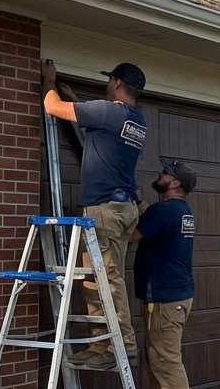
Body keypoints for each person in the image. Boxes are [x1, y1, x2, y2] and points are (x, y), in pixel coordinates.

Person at [41, 61, 147, 370]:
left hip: (105, 209)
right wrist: (77, 101)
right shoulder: (134, 119)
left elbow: (51, 107)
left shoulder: (108, 111)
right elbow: (99, 127)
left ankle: (121, 348)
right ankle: (102, 345)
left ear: (116, 83)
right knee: (96, 279)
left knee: (107, 280)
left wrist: (49, 81)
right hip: (123, 208)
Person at [132, 159, 198, 389]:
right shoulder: (181, 211)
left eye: (164, 173)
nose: (159, 175)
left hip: (165, 298)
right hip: (175, 295)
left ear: (175, 183)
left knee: (167, 363)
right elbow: (156, 224)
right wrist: (142, 207)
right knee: (158, 360)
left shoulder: (164, 211)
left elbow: (131, 235)